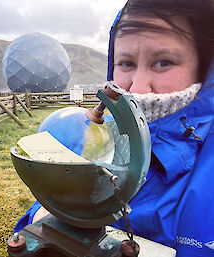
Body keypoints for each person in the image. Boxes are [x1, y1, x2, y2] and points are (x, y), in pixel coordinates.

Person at [13, 0, 214, 256]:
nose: (138, 88)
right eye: (127, 64)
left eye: (163, 62)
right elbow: (54, 194)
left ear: (204, 66)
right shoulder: (97, 132)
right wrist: (43, 213)